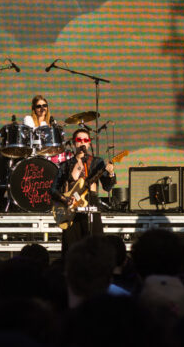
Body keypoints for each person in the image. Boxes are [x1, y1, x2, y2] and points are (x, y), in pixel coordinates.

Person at [51, 128, 118, 256]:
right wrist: (65, 199)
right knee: (71, 247)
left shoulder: (97, 162)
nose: (82, 142)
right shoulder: (66, 165)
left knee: (96, 247)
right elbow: (53, 189)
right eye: (79, 139)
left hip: (91, 205)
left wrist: (111, 173)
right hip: (71, 208)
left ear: (89, 143)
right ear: (74, 143)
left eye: (86, 140)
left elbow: (107, 187)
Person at [22, 95, 66, 162]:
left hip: (47, 155)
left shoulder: (52, 121)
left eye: (44, 105)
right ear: (34, 108)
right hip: (33, 155)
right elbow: (32, 134)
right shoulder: (28, 119)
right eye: (39, 106)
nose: (42, 108)